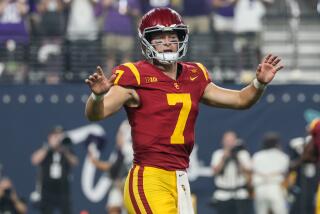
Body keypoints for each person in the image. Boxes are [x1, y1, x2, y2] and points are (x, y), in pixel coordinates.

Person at [84, 7, 283, 213]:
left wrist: (258, 84)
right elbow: (96, 114)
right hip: (150, 178)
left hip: (180, 179)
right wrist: (97, 96)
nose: (168, 43)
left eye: (172, 36)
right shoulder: (134, 74)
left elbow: (241, 100)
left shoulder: (194, 75)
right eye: (160, 38)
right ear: (147, 42)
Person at [87, 119, 133, 214]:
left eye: (121, 135)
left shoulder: (128, 149)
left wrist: (95, 162)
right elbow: (113, 168)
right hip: (119, 183)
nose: (118, 137)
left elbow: (113, 168)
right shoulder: (120, 150)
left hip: (129, 185)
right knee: (113, 208)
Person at [31, 126, 78, 214]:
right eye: (56, 136)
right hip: (47, 190)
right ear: (50, 137)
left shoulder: (66, 150)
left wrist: (64, 150)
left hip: (63, 189)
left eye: (60, 136)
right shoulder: (46, 150)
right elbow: (34, 160)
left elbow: (75, 162)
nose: (58, 139)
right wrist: (49, 147)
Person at [210, 131, 252, 214]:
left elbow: (248, 172)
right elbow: (214, 172)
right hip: (223, 195)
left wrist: (237, 158)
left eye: (232, 141)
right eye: (227, 141)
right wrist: (224, 158)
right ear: (223, 141)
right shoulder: (218, 154)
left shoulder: (243, 154)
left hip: (240, 194)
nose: (230, 143)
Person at [252, 132, 289, 214]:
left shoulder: (257, 156)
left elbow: (253, 171)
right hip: (275, 188)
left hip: (260, 188)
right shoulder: (282, 156)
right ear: (277, 143)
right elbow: (285, 172)